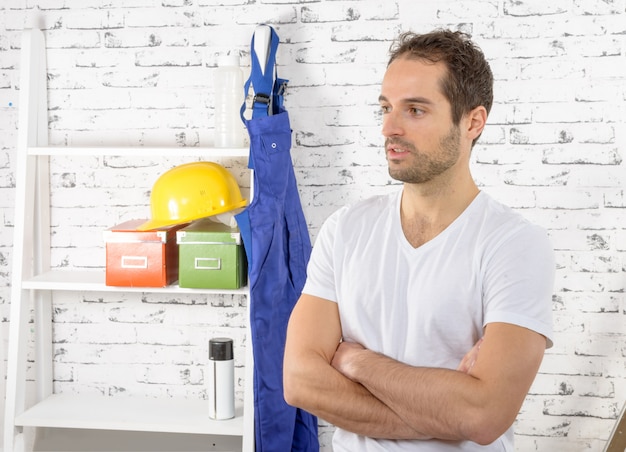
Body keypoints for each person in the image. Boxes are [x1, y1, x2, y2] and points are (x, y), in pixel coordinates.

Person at [283, 29, 555, 451]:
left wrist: (355, 360)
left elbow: (484, 416)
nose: (389, 128)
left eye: (415, 110)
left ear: (472, 121)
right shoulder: (346, 230)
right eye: (386, 108)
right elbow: (300, 382)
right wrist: (448, 415)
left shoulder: (514, 245)